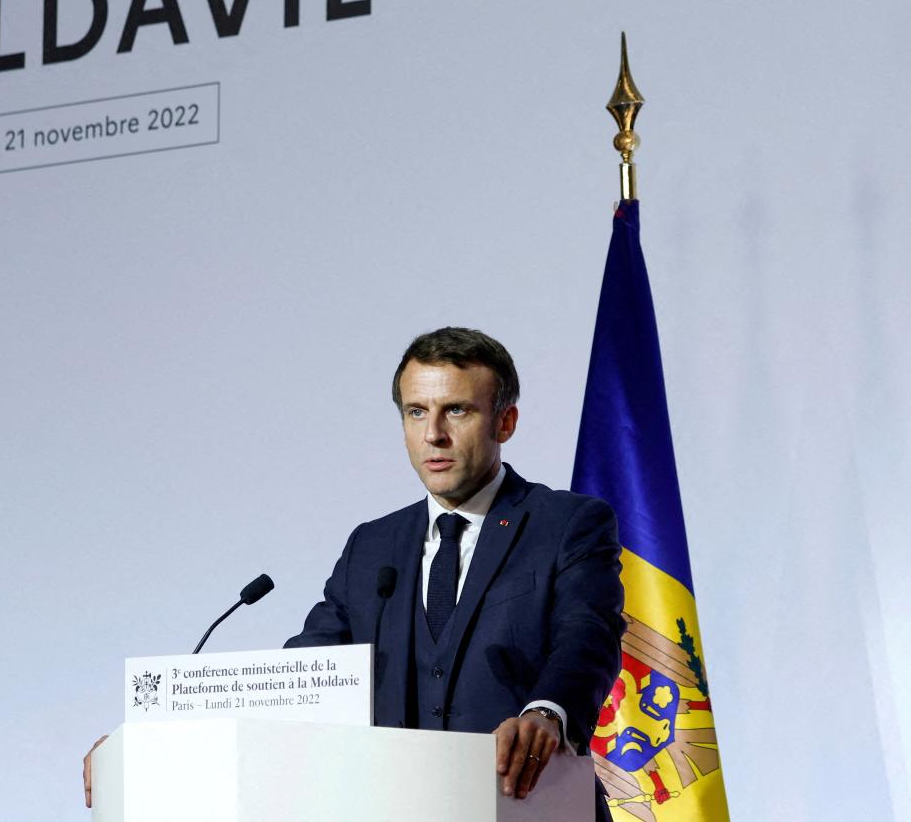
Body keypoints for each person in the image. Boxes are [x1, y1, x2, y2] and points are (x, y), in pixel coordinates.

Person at [85, 326, 624, 816]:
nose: (432, 434)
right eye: (416, 412)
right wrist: (151, 741)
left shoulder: (567, 524)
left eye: (456, 411)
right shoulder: (373, 546)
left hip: (529, 808)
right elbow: (298, 678)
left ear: (505, 421)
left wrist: (547, 712)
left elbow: (587, 636)